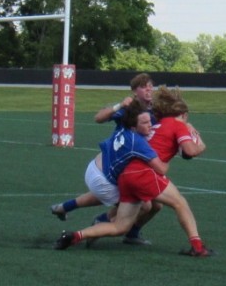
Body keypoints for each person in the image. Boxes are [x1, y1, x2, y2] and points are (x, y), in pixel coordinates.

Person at [54, 90, 213, 257]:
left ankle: (74, 236)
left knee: (120, 226)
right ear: (184, 114)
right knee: (180, 203)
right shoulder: (177, 125)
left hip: (126, 175)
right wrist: (199, 142)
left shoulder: (157, 123)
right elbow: (190, 151)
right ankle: (197, 246)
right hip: (144, 173)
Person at [50, 73, 157, 230]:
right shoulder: (129, 108)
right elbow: (99, 117)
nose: (148, 89)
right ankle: (102, 223)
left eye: (150, 86)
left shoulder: (156, 108)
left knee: (150, 203)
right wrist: (119, 105)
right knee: (143, 204)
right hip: (120, 160)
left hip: (134, 161)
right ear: (134, 91)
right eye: (143, 87)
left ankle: (65, 207)